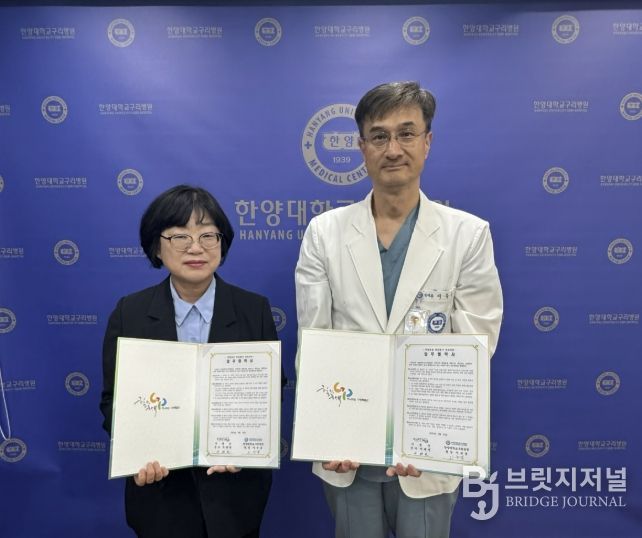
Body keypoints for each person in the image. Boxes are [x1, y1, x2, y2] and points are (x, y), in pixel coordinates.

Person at [295, 81, 503, 538]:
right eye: (379, 136)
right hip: (349, 450)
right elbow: (315, 342)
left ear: (427, 141)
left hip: (429, 449)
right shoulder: (323, 234)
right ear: (361, 147)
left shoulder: (468, 235)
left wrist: (428, 435)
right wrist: (329, 431)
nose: (393, 149)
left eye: (406, 134)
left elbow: (475, 347)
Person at [100, 185, 279, 538]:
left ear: (222, 243)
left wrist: (246, 448)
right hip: (160, 493)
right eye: (180, 236)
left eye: (208, 235)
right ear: (157, 245)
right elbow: (113, 401)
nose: (196, 247)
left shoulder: (254, 310)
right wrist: (138, 450)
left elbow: (270, 397)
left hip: (234, 496)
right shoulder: (130, 313)